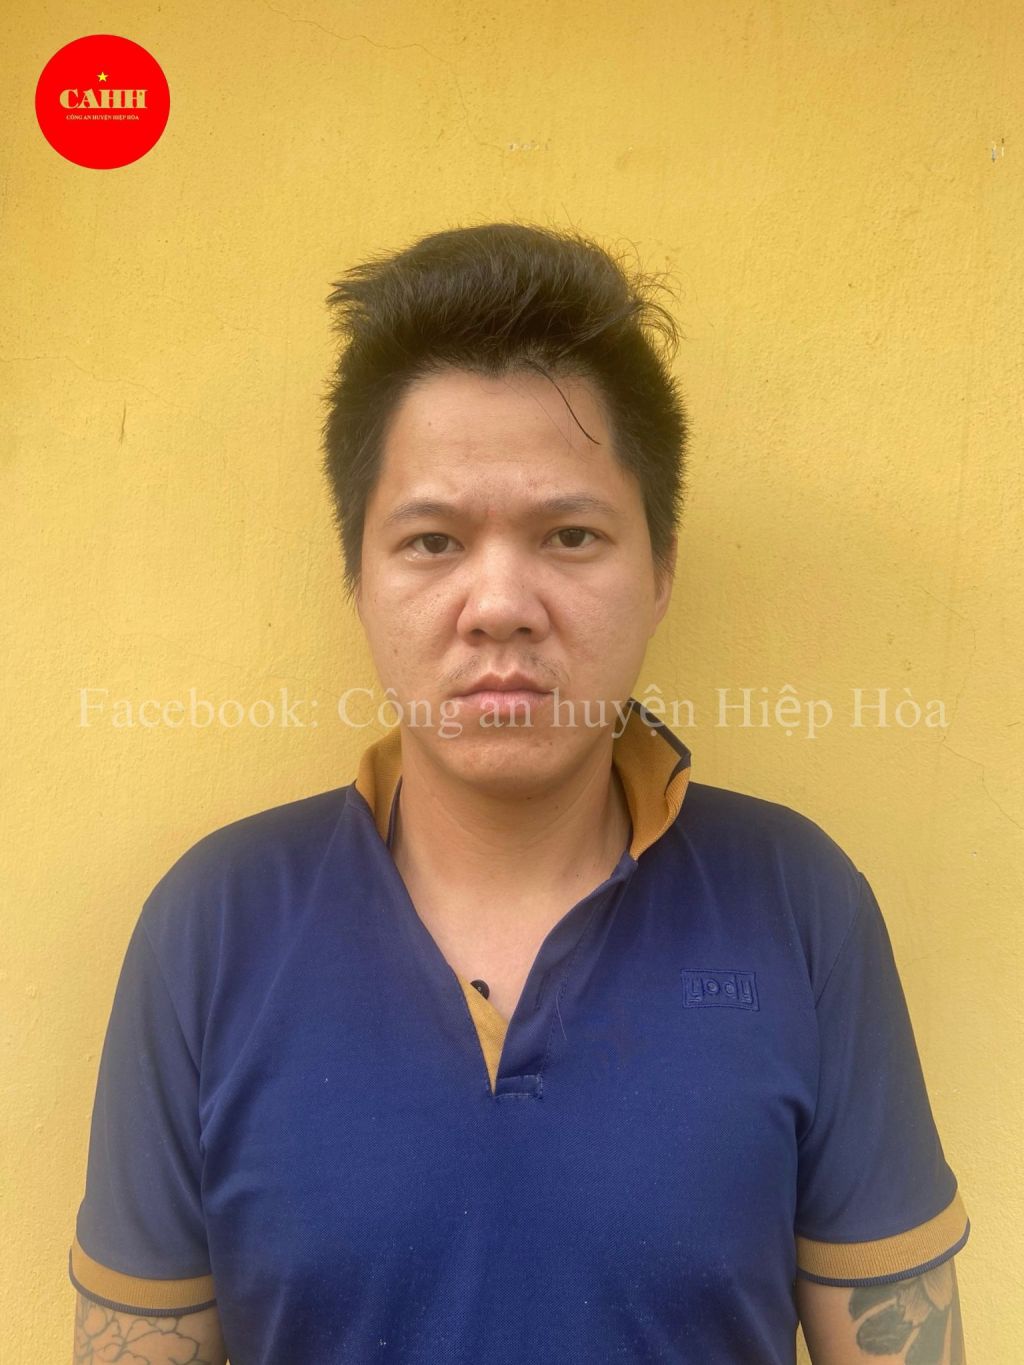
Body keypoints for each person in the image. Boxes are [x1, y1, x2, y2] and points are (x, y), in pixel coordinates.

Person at [69, 222, 969, 1364]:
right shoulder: (213, 928)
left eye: (570, 534)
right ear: (357, 576)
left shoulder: (799, 906)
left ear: (661, 569)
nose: (499, 604)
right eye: (433, 541)